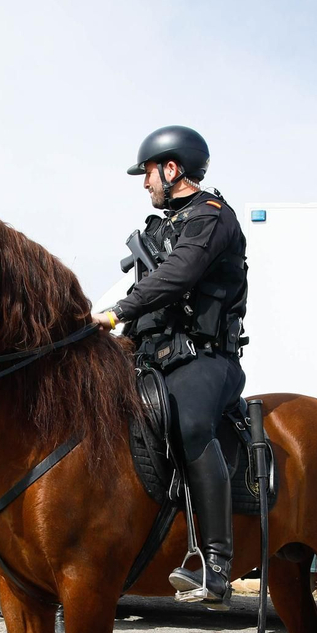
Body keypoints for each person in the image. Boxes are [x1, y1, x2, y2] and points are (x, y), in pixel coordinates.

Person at [95, 125, 248, 605]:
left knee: (188, 423)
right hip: (151, 356)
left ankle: (217, 565)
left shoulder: (213, 217)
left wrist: (118, 309)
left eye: (147, 174)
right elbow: (154, 304)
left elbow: (178, 275)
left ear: (172, 169)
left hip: (206, 359)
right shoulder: (158, 227)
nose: (145, 184)